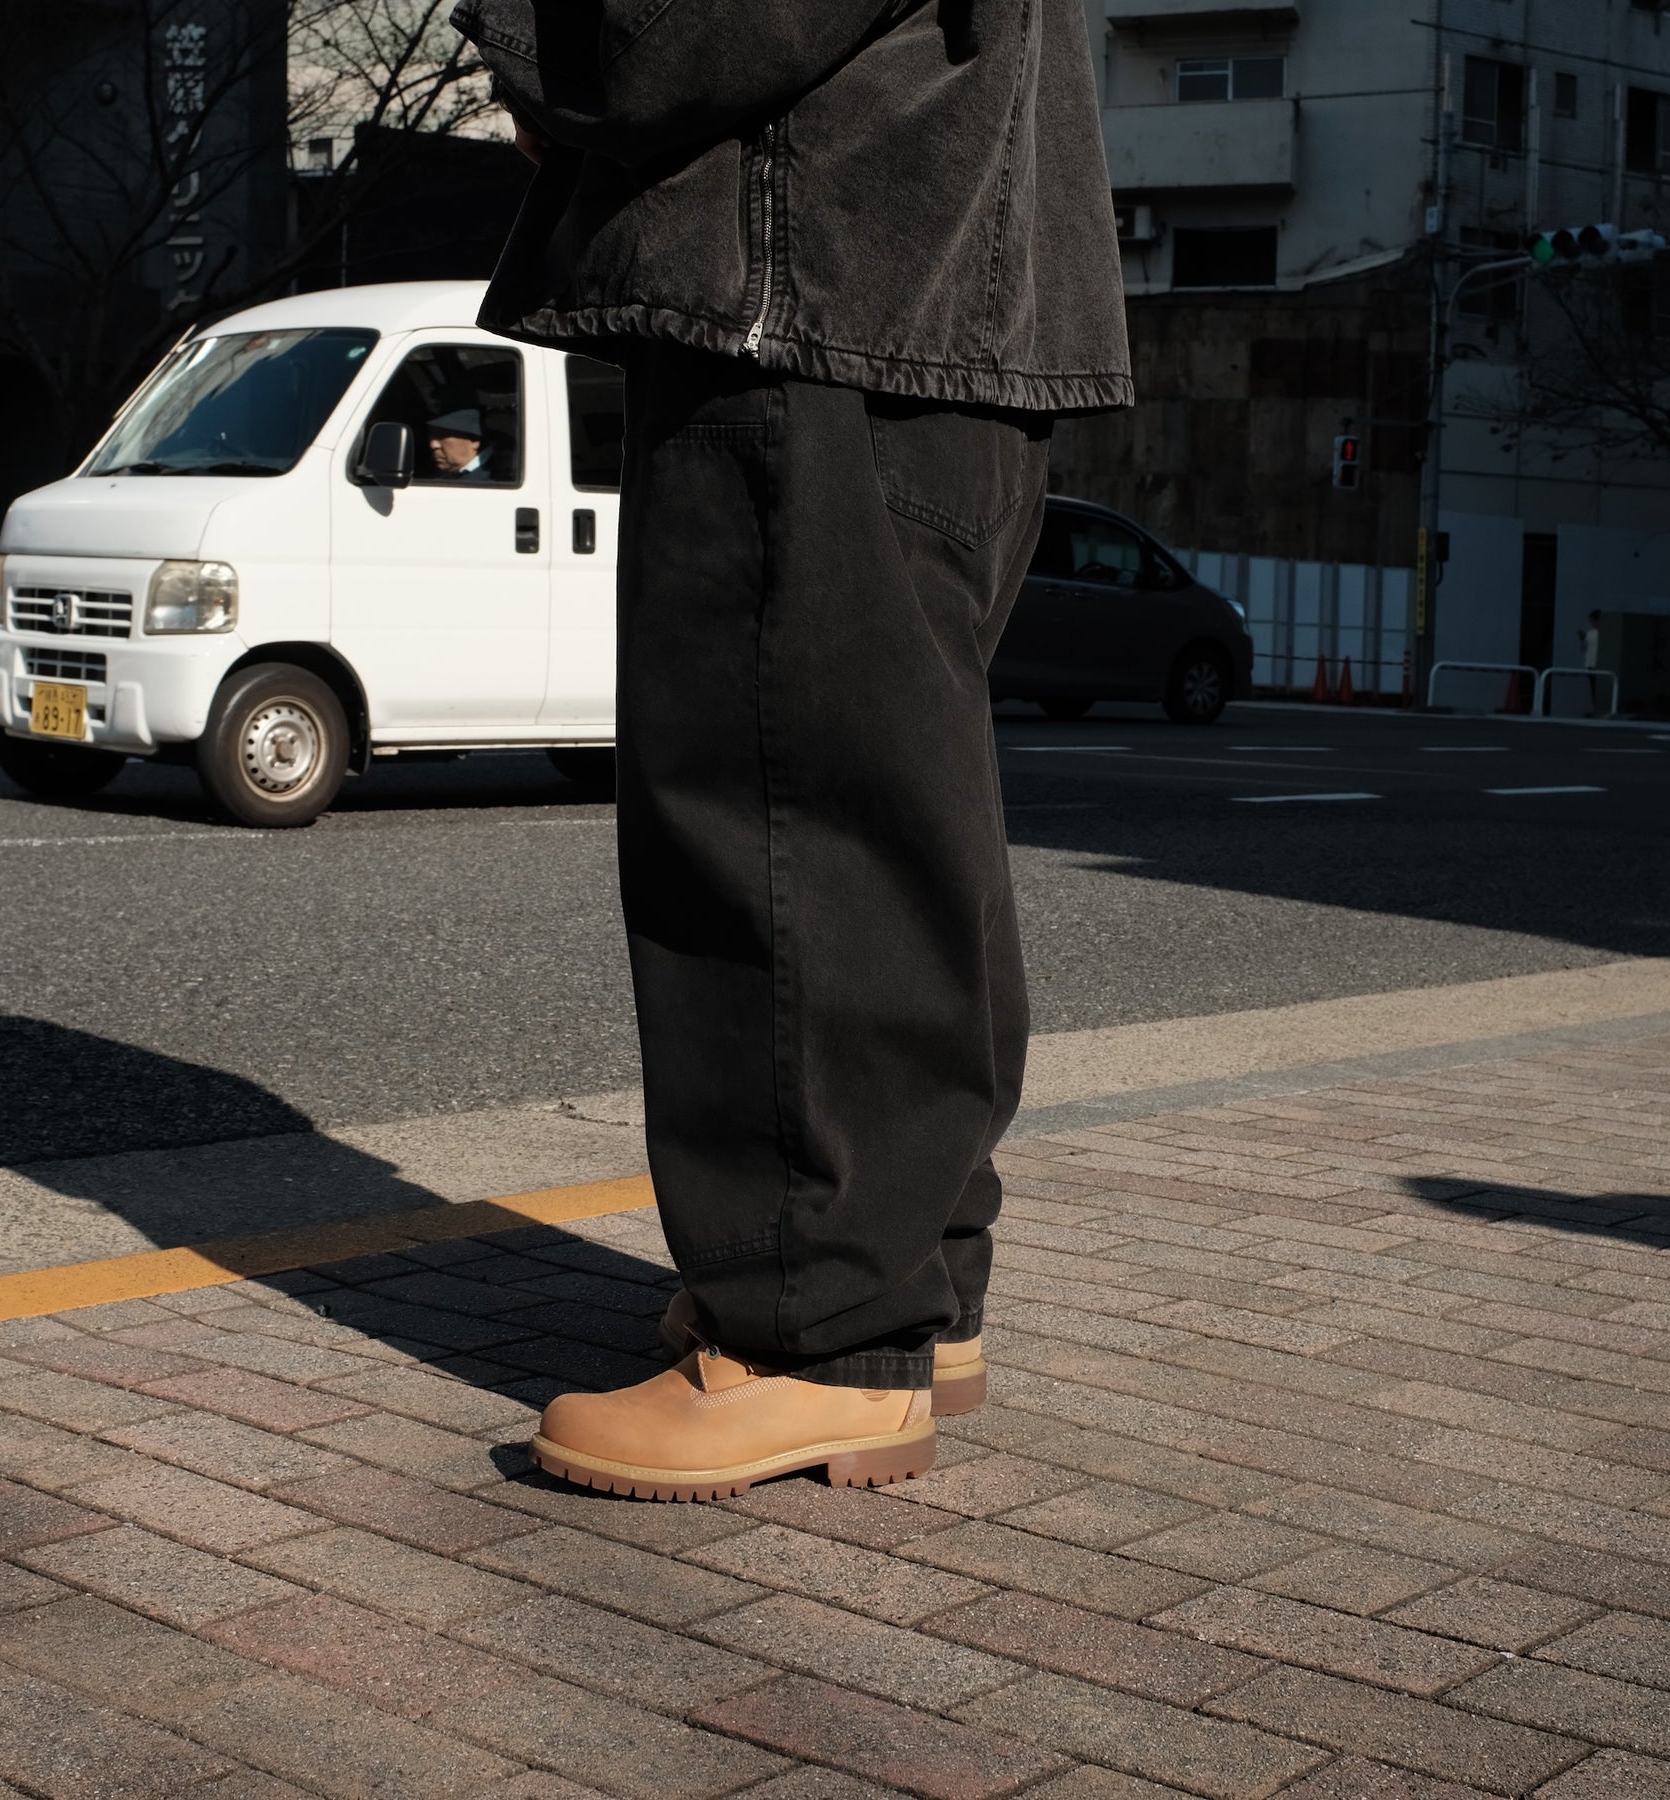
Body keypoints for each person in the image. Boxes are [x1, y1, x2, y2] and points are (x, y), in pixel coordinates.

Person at [454, 0, 1133, 1500]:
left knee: (775, 802)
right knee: (891, 806)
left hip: (813, 281)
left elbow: (679, 26)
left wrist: (536, 48)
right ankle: (914, 1284)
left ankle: (816, 1335)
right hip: (942, 295)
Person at [426, 406, 492, 481]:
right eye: (432, 434)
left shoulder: (493, 477)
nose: (433, 445)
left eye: (443, 435)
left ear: (474, 440)